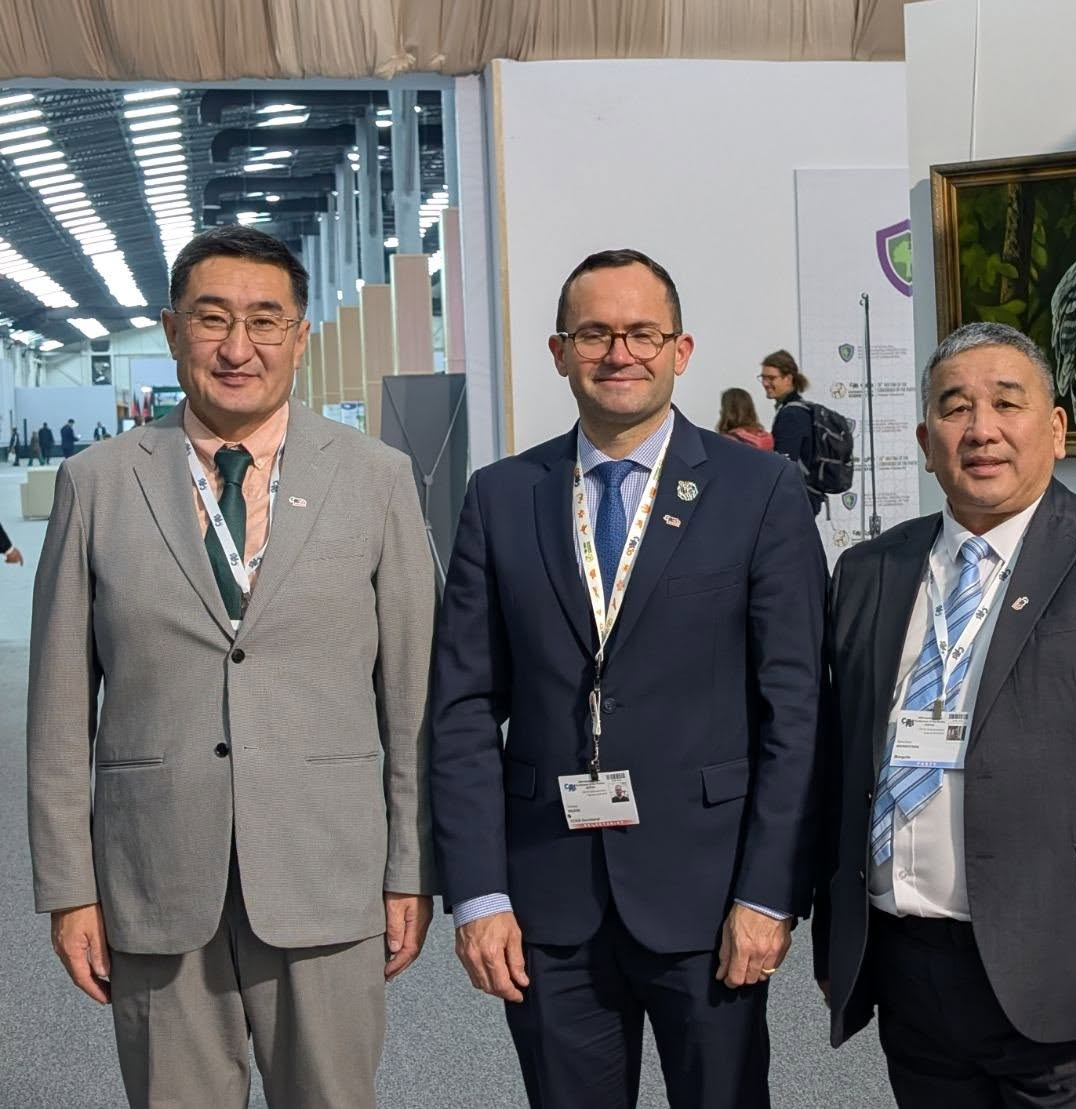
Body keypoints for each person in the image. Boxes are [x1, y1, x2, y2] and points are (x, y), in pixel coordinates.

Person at [27, 225, 438, 1109]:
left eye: (264, 320)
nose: (237, 347)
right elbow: (58, 712)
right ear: (173, 330)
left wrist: (411, 864)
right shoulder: (96, 482)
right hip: (156, 874)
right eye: (212, 319)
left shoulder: (376, 477)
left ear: (300, 336)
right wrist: (68, 888)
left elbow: (412, 701)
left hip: (326, 867)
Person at [430, 248, 827, 1109]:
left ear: (680, 350)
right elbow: (462, 709)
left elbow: (795, 710)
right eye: (595, 334)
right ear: (558, 351)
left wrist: (770, 892)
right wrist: (478, 893)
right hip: (547, 898)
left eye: (643, 333)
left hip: (711, 894)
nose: (620, 353)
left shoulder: (759, 490)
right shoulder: (501, 496)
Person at [814, 322, 1076, 1108]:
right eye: (955, 407)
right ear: (925, 441)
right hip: (910, 969)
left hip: (1073, 972)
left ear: (1056, 428)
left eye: (1006, 402)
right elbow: (838, 759)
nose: (981, 429)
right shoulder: (867, 571)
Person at [760, 349, 822, 515]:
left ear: (788, 379)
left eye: (771, 378)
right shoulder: (799, 409)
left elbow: (785, 462)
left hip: (797, 498)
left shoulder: (791, 414)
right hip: (805, 495)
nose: (765, 383)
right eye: (763, 377)